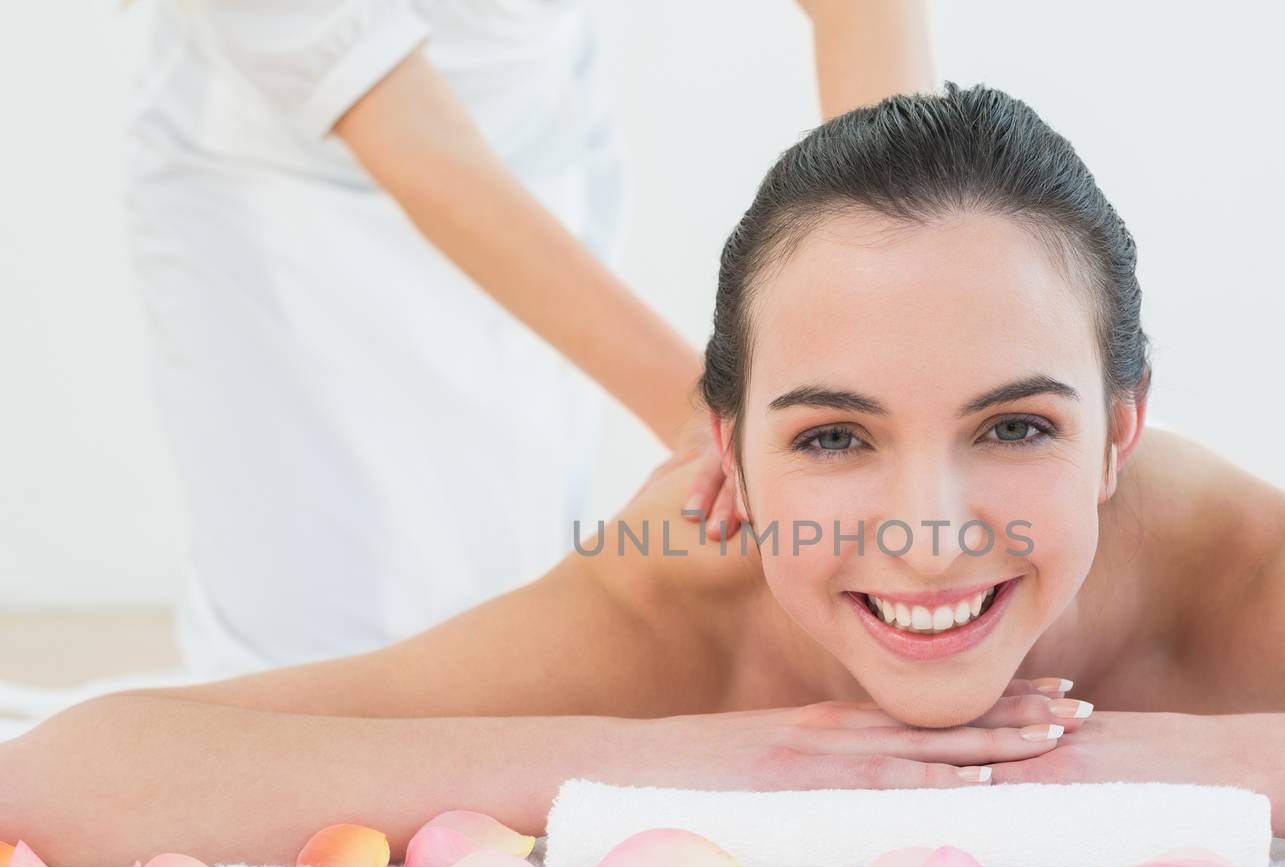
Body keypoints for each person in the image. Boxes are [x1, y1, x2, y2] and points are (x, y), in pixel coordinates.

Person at [10, 84, 1285, 867]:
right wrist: (698, 761)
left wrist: (1192, 760)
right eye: (832, 435)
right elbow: (70, 771)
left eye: (1018, 426)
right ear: (729, 448)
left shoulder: (1213, 556)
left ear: (1122, 431)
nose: (932, 525)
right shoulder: (664, 593)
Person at [122, 0, 935, 676]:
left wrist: (902, 306)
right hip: (277, 192)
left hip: (534, 147)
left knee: (492, 610)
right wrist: (716, 415)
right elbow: (411, 137)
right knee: (313, 649)